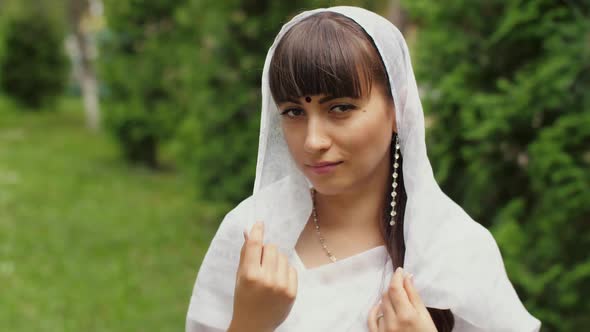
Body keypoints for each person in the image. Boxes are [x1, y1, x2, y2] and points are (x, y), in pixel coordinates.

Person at [186, 6, 542, 332]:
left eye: (340, 108)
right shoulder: (252, 239)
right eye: (294, 111)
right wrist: (249, 323)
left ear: (397, 110)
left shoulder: (455, 251)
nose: (313, 141)